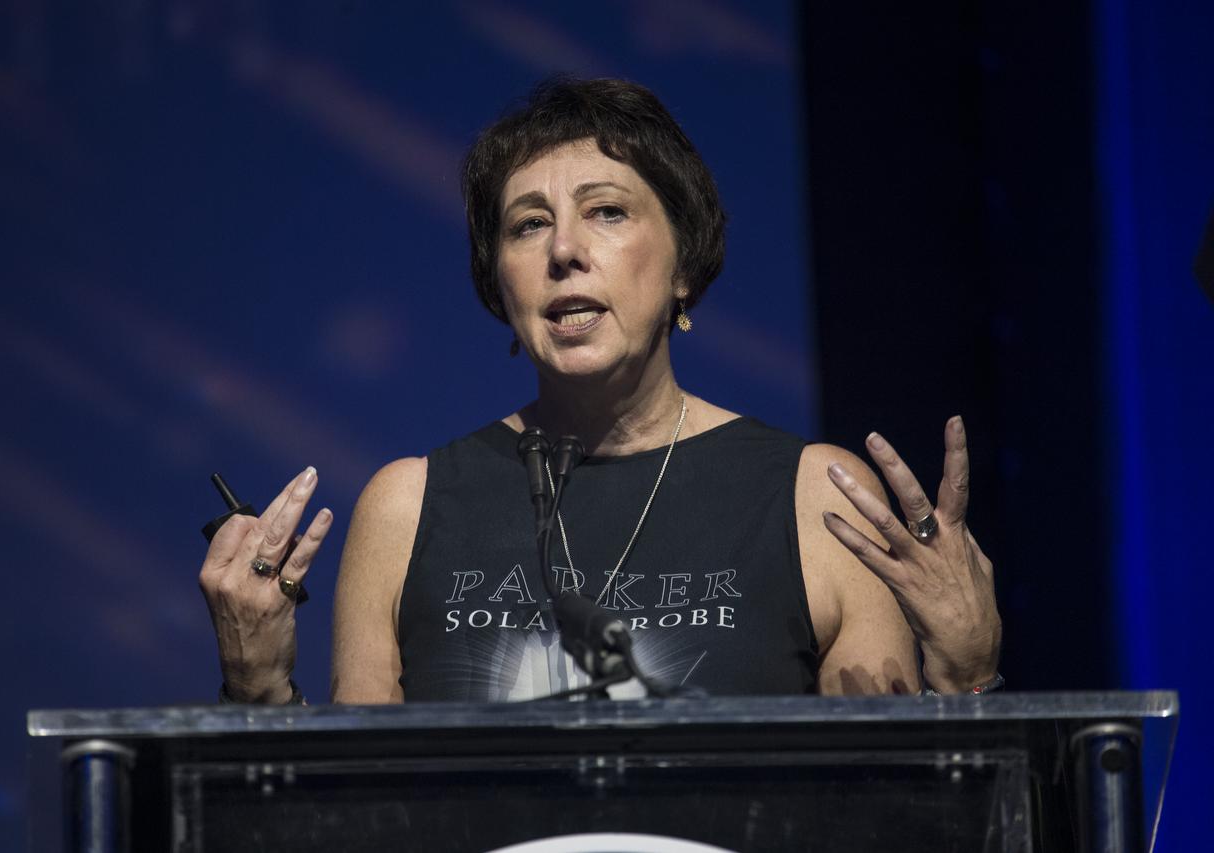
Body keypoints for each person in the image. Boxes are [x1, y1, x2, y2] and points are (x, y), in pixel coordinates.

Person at [199, 77, 1002, 704]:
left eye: (607, 212)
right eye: (527, 224)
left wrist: (967, 675)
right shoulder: (407, 506)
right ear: (499, 286)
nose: (565, 251)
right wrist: (258, 687)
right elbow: (350, 811)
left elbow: (894, 802)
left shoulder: (817, 498)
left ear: (684, 264)